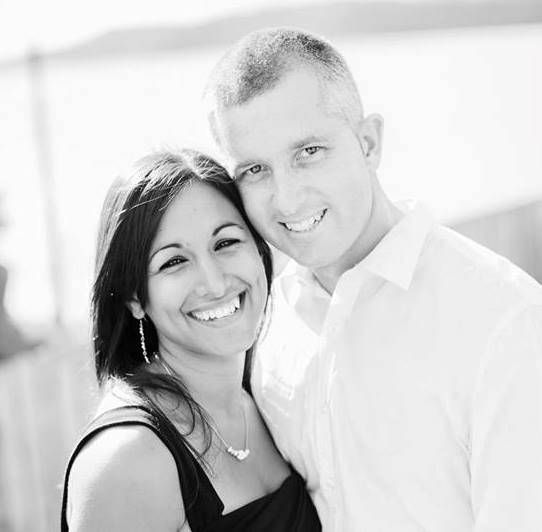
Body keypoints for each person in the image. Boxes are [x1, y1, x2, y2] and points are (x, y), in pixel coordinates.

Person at [204, 27, 542, 531]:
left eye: (309, 152)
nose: (287, 199)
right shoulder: (268, 322)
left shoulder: (504, 321)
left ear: (368, 143)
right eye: (255, 170)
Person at [60, 150, 321, 531]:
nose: (214, 284)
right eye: (174, 262)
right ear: (134, 297)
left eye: (226, 243)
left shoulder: (268, 397)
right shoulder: (129, 458)